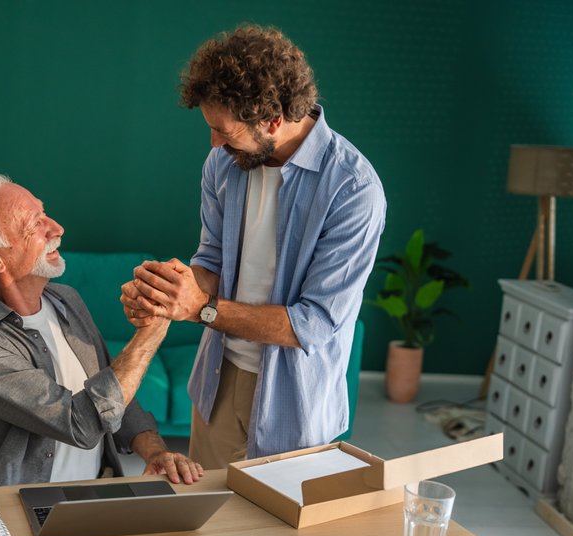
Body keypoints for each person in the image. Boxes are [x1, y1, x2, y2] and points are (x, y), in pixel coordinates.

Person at [122, 25, 386, 469]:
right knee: (208, 526)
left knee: (278, 534)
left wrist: (200, 308)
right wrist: (169, 292)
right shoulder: (224, 164)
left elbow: (315, 324)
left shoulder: (353, 189)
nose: (214, 143)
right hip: (218, 382)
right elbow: (211, 262)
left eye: (223, 131)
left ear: (272, 121)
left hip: (296, 398)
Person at [0, 174, 203, 488]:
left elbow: (115, 395)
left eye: (44, 213)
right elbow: (82, 423)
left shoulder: (67, 300)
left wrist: (155, 452)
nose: (57, 228)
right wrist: (155, 326)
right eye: (34, 224)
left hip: (97, 492)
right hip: (17, 507)